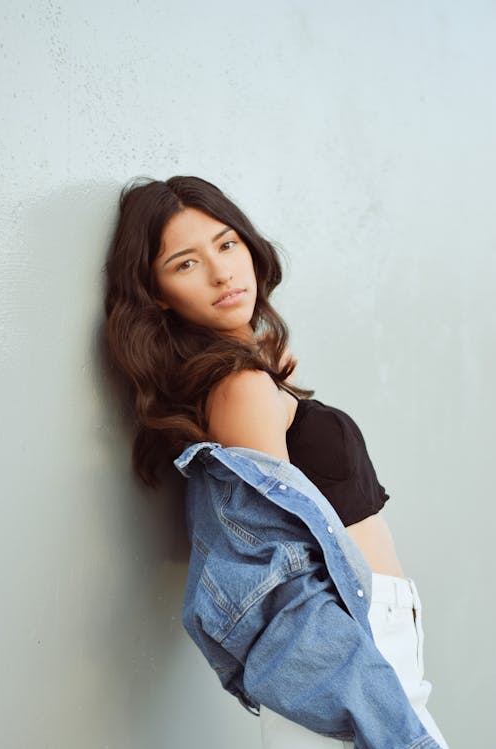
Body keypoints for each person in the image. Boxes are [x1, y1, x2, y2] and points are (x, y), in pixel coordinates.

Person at [103, 175, 450, 749]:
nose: (220, 272)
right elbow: (276, 564)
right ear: (158, 293)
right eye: (185, 264)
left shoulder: (251, 374)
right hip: (347, 647)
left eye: (226, 244)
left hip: (368, 635)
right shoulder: (239, 386)